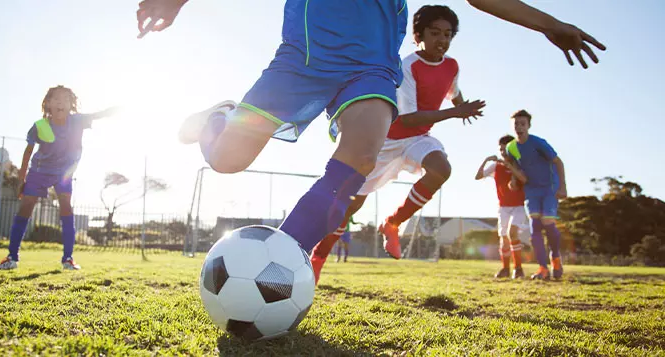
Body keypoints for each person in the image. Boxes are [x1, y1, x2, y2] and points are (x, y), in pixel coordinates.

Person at [134, 0, 605, 258]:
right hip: (302, 60)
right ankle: (221, 117)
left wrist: (550, 24)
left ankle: (282, 257)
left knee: (360, 157)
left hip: (372, 67)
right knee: (227, 161)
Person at [310, 4, 485, 283]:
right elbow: (412, 117)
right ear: (419, 35)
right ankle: (318, 257)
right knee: (350, 207)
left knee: (441, 169)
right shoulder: (408, 66)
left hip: (417, 139)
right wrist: (455, 112)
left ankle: (392, 223)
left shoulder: (452, 66)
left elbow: (454, 92)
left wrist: (463, 106)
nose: (442, 40)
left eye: (448, 34)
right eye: (434, 32)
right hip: (387, 139)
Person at [0, 85, 118, 270]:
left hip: (64, 173)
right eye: (56, 99)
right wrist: (22, 179)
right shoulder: (40, 126)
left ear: (71, 104)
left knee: (66, 209)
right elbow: (28, 152)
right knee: (26, 207)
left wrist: (115, 110)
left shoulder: (77, 121)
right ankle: (12, 257)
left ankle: (68, 259)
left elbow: (98, 114)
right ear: (48, 104)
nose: (61, 102)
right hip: (39, 171)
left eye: (66, 99)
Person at [506, 110, 567, 280]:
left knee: (547, 221)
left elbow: (558, 162)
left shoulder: (539, 143)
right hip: (531, 189)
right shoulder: (511, 147)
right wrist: (513, 180)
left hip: (549, 187)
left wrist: (563, 187)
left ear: (529, 126)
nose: (519, 127)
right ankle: (542, 268)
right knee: (535, 225)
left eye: (522, 124)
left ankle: (555, 257)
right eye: (516, 124)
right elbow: (516, 167)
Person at [475, 134, 529, 279]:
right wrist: (486, 160)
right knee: (503, 237)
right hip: (503, 207)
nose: (503, 153)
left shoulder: (520, 165)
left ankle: (518, 268)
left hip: (518, 206)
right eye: (501, 150)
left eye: (506, 150)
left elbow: (522, 181)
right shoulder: (496, 166)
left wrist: (512, 170)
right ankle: (505, 268)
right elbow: (478, 176)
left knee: (512, 233)